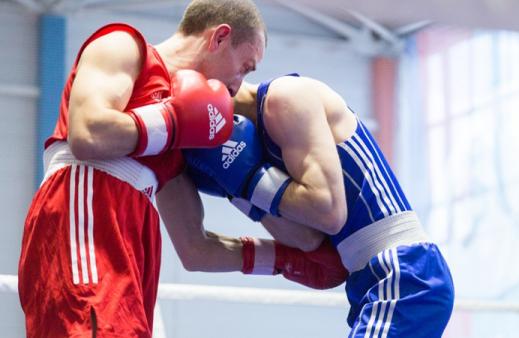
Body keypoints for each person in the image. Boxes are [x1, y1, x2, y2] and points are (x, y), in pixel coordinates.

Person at [18, 1, 267, 337]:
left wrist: (287, 261)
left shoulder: (177, 142)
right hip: (87, 215)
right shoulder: (123, 46)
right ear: (220, 37)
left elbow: (195, 247)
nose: (238, 85)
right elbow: (88, 132)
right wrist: (172, 120)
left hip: (134, 248)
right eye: (245, 67)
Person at [184, 74, 455, 337]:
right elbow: (307, 239)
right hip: (373, 278)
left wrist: (249, 179)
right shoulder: (263, 149)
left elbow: (330, 215)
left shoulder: (288, 97)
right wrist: (238, 187)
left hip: (404, 271)